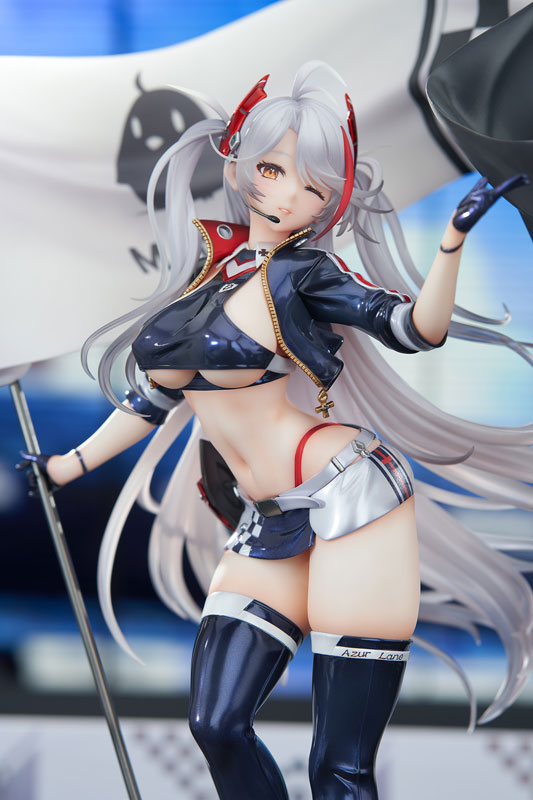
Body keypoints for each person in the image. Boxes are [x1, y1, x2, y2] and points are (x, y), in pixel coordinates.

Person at [19, 63, 532, 799]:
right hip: (266, 520)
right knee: (217, 724)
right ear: (236, 165)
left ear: (330, 200)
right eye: (271, 169)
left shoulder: (307, 275)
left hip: (350, 499)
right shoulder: (205, 269)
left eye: (312, 185)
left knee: (339, 769)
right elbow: (151, 400)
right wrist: (68, 464)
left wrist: (450, 245)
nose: (286, 194)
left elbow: (413, 330)